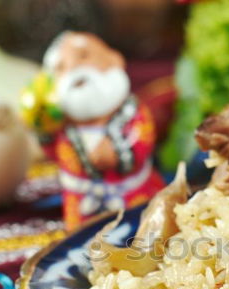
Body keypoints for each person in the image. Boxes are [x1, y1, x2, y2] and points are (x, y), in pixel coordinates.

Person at [22, 31, 164, 230]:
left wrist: (120, 151)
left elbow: (143, 139)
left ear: (115, 59)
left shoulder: (133, 112)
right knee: (81, 240)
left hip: (134, 197)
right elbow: (53, 152)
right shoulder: (63, 126)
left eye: (84, 56)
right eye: (62, 67)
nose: (75, 69)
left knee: (144, 228)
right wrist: (42, 130)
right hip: (81, 206)